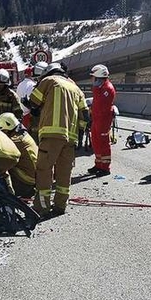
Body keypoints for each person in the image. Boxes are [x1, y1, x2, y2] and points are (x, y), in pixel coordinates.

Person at [28, 62, 90, 217]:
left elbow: (33, 102)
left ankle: (42, 207)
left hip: (51, 135)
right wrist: (80, 134)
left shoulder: (48, 81)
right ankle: (60, 206)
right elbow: (85, 115)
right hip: (71, 137)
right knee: (64, 172)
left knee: (44, 170)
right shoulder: (75, 87)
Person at [0, 112, 38, 198]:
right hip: (34, 178)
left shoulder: (15, 141)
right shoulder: (23, 134)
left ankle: (7, 194)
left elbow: (2, 157)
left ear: (6, 129)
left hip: (26, 182)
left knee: (1, 165)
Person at [87, 64, 116, 177]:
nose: (92, 79)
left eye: (93, 77)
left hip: (103, 120)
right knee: (96, 142)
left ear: (99, 77)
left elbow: (103, 106)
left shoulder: (107, 89)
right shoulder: (98, 88)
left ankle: (105, 167)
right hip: (97, 119)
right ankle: (98, 164)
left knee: (103, 143)